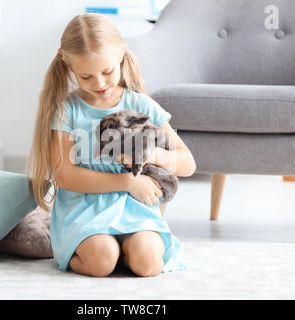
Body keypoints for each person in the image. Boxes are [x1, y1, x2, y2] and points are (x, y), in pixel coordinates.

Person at [26, 13, 196, 277]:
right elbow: (64, 174)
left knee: (149, 264)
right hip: (84, 208)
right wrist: (127, 182)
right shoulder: (66, 111)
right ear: (67, 64)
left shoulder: (140, 105)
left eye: (107, 72)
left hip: (136, 207)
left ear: (121, 55)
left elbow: (188, 163)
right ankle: (106, 251)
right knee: (100, 262)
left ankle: (127, 250)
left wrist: (151, 153)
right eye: (86, 77)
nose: (100, 84)